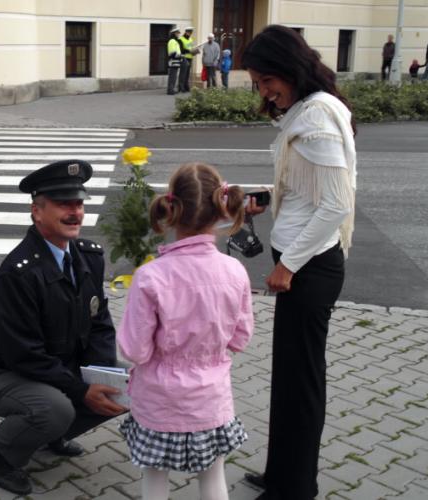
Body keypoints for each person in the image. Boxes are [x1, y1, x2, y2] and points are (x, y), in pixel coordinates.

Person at [241, 25, 356, 500]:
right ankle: (282, 473)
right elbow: (310, 189)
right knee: (288, 378)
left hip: (308, 271)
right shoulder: (306, 111)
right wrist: (269, 197)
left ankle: (294, 489)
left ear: (290, 69)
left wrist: (288, 266)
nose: (265, 91)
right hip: (302, 265)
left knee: (301, 383)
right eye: (258, 83)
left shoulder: (317, 119)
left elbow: (335, 205)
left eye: (269, 80)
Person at [0, 160, 127, 495]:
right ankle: (1, 452)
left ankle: (53, 433)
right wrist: (81, 389)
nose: (75, 213)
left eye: (79, 204)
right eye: (63, 205)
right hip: (2, 372)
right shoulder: (18, 273)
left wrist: (101, 374)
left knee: (127, 385)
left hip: (51, 366)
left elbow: (100, 324)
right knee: (55, 407)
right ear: (36, 212)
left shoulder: (88, 256)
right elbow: (22, 354)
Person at [118, 162, 254, 500]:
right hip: (211, 399)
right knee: (213, 478)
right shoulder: (235, 271)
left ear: (171, 208)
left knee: (154, 479)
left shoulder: (152, 277)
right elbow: (240, 338)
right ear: (220, 208)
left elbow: (135, 350)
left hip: (159, 400)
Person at [178, 27, 197, 92]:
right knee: (183, 73)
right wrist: (189, 51)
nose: (190, 34)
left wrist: (195, 51)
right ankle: (181, 87)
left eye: (191, 33)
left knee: (187, 74)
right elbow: (181, 50)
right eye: (189, 32)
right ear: (186, 32)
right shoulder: (181, 39)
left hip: (190, 58)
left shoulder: (190, 39)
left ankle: (186, 86)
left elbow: (192, 47)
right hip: (184, 57)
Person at [167, 27, 183, 95]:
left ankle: (171, 89)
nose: (178, 34)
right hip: (173, 61)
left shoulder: (175, 41)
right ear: (174, 33)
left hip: (176, 61)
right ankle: (170, 90)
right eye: (177, 33)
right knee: (172, 76)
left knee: (174, 76)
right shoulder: (172, 41)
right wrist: (180, 56)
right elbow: (172, 53)